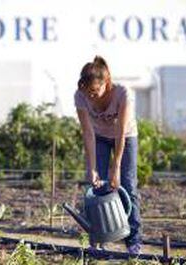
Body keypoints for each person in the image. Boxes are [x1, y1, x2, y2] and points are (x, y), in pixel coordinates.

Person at [74, 55, 142, 254]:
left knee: (128, 187)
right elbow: (87, 132)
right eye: (87, 92)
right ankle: (99, 239)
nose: (91, 96)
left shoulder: (123, 93)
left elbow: (121, 130)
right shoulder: (80, 96)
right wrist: (93, 168)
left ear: (107, 83)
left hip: (126, 136)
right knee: (96, 187)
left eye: (95, 91)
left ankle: (134, 241)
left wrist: (117, 168)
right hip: (99, 137)